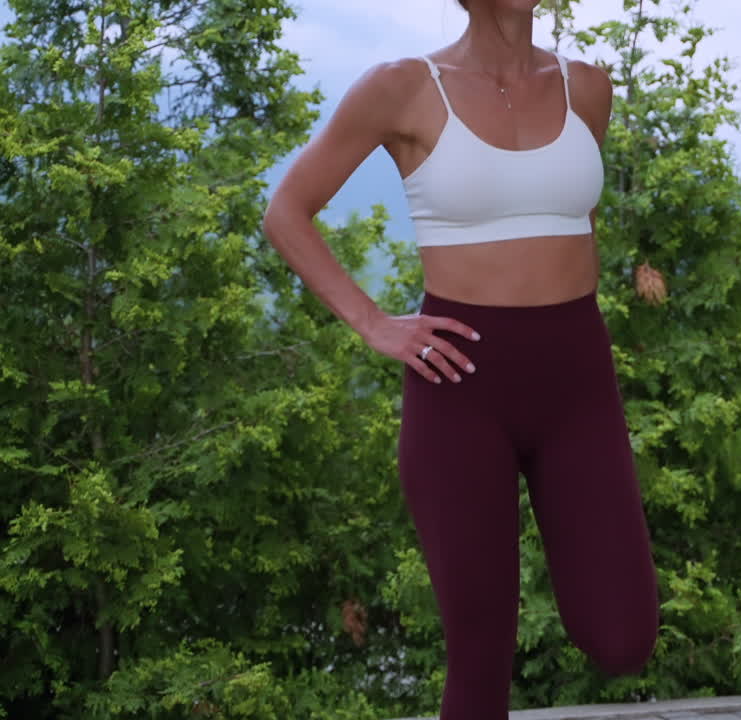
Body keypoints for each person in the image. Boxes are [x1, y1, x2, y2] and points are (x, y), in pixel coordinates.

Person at [261, 0, 660, 716]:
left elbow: (577, 222)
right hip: (461, 381)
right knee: (480, 655)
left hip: (576, 376)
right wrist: (374, 323)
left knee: (623, 636)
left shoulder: (587, 88)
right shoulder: (402, 87)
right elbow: (286, 210)